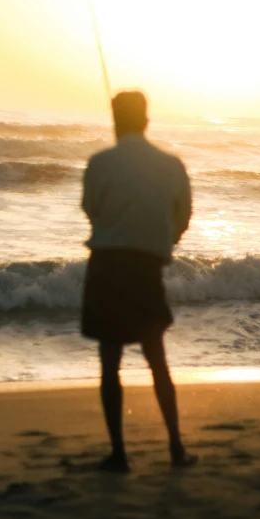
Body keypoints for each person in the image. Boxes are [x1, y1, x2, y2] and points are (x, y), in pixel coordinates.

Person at [81, 90, 197, 472]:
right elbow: (182, 217)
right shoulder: (171, 165)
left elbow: (92, 211)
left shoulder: (99, 163)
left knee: (109, 363)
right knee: (157, 359)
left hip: (107, 266)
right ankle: (176, 448)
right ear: (146, 120)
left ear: (115, 120)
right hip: (146, 268)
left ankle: (119, 454)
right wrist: (163, 242)